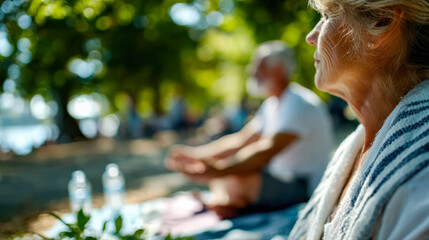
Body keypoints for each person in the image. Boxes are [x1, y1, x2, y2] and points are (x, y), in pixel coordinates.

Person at [290, 0, 429, 239]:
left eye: (327, 16)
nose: (311, 36)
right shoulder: (353, 147)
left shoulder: (421, 173)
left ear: (382, 21)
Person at [165, 41, 334, 219]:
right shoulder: (272, 104)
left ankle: (232, 203)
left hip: (304, 184)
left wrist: (220, 169)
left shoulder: (298, 103)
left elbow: (266, 151)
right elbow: (241, 140)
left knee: (233, 176)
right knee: (227, 169)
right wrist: (196, 155)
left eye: (259, 67)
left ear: (278, 70)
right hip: (278, 176)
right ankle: (232, 203)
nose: (252, 72)